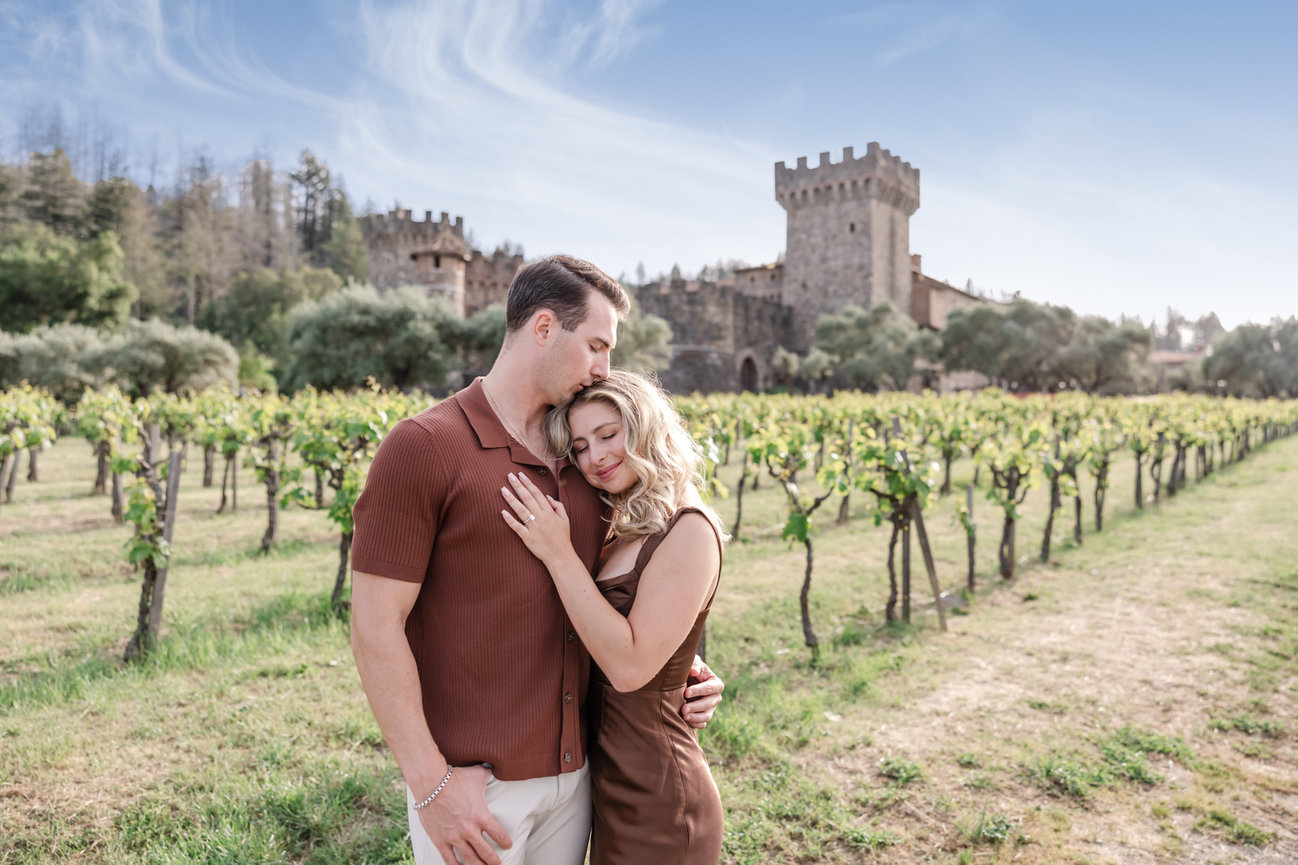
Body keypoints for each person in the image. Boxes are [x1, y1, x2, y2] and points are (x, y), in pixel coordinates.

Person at [349, 255, 724, 865]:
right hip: (476, 791)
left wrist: (683, 666)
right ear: (544, 329)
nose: (606, 368)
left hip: (581, 787)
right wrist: (432, 784)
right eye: (597, 346)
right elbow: (373, 627)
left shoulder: (586, 467)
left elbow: (625, 588)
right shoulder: (423, 446)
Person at [499, 369, 726, 865]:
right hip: (600, 779)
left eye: (608, 434)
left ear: (646, 427)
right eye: (579, 446)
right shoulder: (618, 528)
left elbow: (627, 668)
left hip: (657, 792)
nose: (594, 456)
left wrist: (558, 555)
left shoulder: (688, 529)